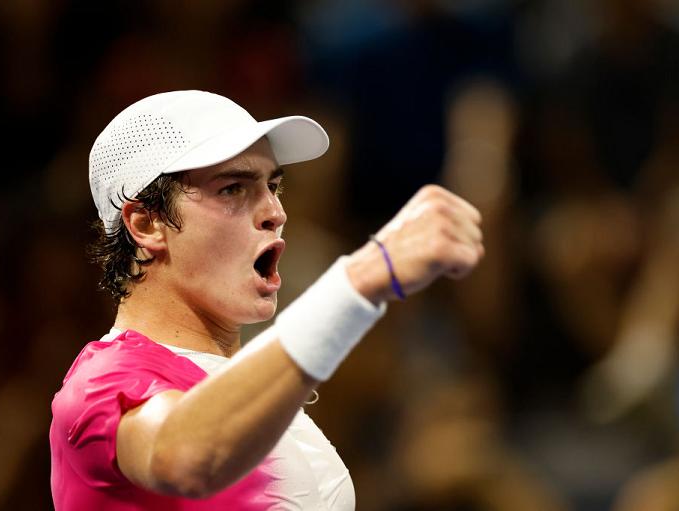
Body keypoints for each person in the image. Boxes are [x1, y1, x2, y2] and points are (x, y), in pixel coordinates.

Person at [49, 90, 484, 510]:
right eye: (232, 189)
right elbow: (185, 458)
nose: (276, 212)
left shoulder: (250, 391)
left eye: (273, 185)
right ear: (147, 225)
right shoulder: (100, 383)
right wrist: (362, 278)